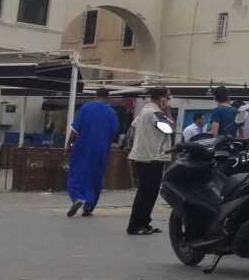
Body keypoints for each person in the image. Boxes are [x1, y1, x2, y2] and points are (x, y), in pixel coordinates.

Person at [64, 88, 121, 217]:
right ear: (107, 97)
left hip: (83, 147)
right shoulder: (111, 112)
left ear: (96, 96)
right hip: (101, 149)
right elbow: (114, 132)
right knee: (95, 176)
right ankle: (88, 207)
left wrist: (68, 145)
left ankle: (77, 197)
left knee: (77, 173)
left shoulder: (86, 108)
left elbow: (75, 130)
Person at [126, 87, 172, 235]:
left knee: (149, 192)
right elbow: (169, 128)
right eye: (168, 97)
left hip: (145, 156)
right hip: (150, 157)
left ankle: (144, 223)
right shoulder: (154, 112)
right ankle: (135, 226)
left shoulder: (145, 111)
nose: (169, 100)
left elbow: (133, 127)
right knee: (146, 193)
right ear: (161, 98)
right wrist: (168, 110)